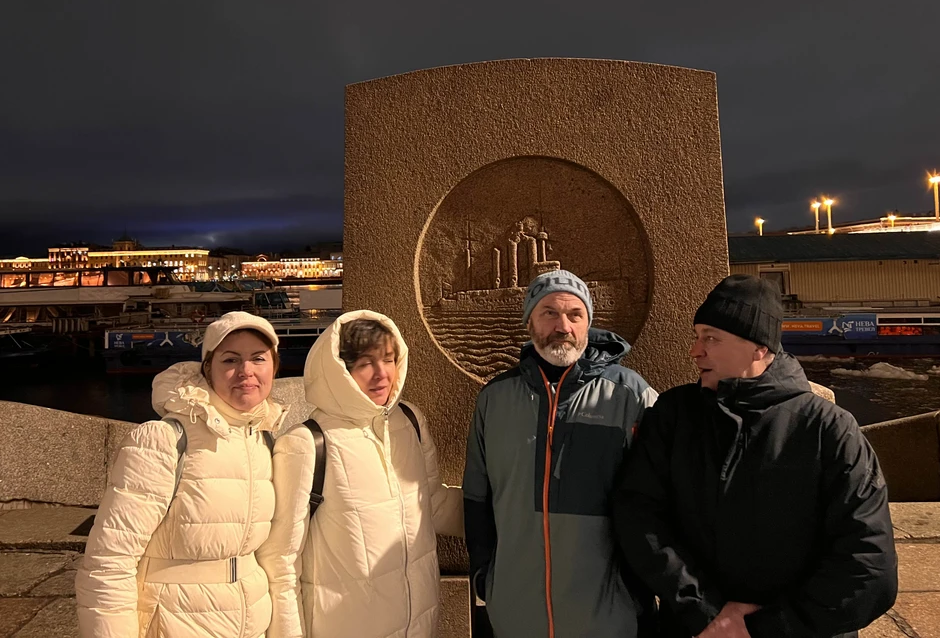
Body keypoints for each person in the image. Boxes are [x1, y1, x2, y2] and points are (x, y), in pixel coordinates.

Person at [613, 274, 898, 638]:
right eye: (697, 336)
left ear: (759, 348)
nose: (695, 351)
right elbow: (639, 514)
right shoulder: (673, 414)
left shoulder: (830, 429)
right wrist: (703, 612)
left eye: (711, 339)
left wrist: (763, 628)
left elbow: (870, 566)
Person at [463, 269, 659, 638]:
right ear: (529, 322)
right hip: (516, 614)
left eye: (574, 315)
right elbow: (477, 497)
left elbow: (660, 496)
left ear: (588, 323)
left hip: (608, 616)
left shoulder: (631, 396)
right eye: (549, 312)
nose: (562, 325)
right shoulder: (495, 398)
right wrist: (484, 579)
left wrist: (638, 588)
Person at [76, 311, 287, 638]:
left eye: (258, 359)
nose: (246, 371)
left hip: (251, 619)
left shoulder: (264, 440)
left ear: (273, 367)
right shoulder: (164, 440)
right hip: (176, 622)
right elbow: (109, 561)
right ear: (208, 371)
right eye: (230, 360)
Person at [258, 309, 463, 638]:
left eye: (389, 359)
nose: (382, 374)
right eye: (366, 363)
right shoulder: (307, 443)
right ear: (339, 370)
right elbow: (281, 560)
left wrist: (510, 518)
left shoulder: (410, 422)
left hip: (419, 625)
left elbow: (433, 504)